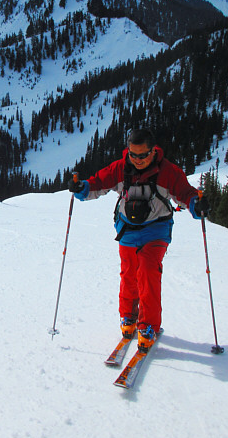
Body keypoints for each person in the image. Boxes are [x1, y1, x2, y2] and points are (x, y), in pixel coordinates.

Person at [68, 128, 210, 354]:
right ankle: (128, 316)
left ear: (153, 151)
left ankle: (148, 326)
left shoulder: (168, 172)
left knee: (147, 272)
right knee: (128, 273)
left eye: (142, 155)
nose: (137, 160)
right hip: (127, 229)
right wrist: (81, 188)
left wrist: (195, 204)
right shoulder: (120, 167)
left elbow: (184, 193)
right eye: (133, 154)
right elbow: (97, 183)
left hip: (156, 230)